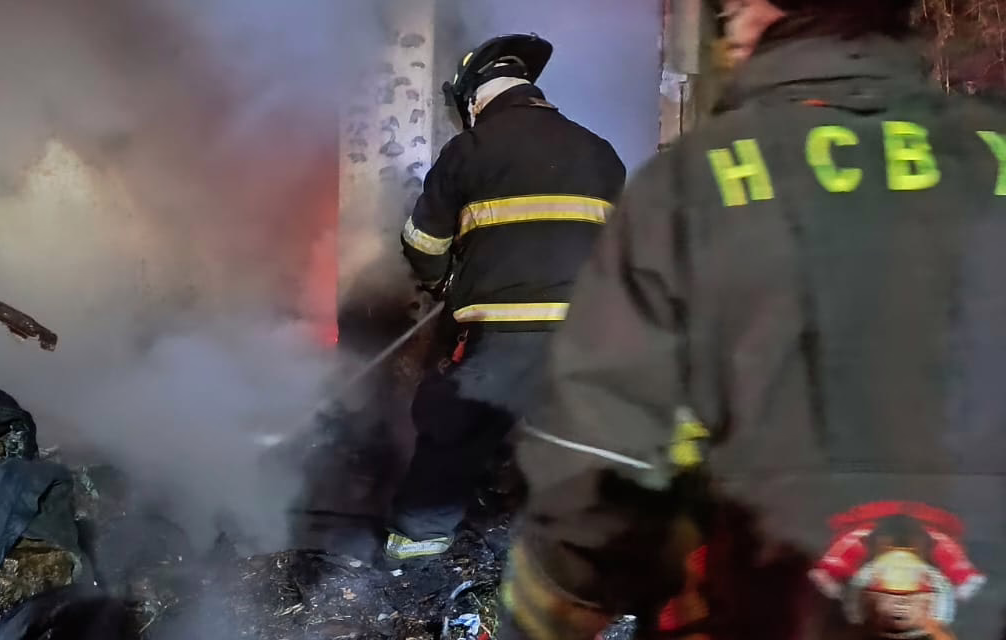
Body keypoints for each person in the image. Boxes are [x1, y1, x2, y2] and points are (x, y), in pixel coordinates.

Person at [501, 1, 1006, 638]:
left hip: (758, 603)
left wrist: (547, 614)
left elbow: (605, 454)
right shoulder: (994, 153)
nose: (727, 33)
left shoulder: (692, 180)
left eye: (732, 10)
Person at [386, 33, 627, 560]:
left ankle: (415, 561)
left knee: (454, 434)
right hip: (589, 337)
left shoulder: (469, 149)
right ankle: (596, 570)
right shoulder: (600, 151)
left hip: (500, 336)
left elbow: (422, 242)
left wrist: (442, 284)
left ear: (474, 99)